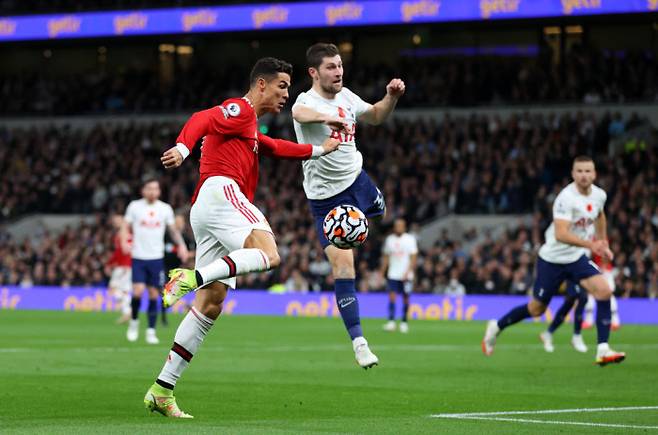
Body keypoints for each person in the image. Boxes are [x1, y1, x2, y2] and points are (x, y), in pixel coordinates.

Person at [144, 57, 340, 418]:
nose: (286, 94)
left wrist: (319, 150)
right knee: (269, 254)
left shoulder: (248, 127)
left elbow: (275, 147)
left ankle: (162, 389)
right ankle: (188, 277)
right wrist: (184, 148)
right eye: (282, 86)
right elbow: (202, 118)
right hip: (222, 191)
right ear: (261, 84)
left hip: (205, 208)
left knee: (210, 305)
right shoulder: (241, 109)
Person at [292, 42, 405, 367]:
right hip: (326, 200)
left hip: (358, 181)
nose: (338, 71)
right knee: (344, 267)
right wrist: (331, 118)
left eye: (339, 65)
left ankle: (371, 217)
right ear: (314, 72)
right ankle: (359, 342)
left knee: (382, 214)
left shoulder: (348, 96)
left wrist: (392, 97)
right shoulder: (306, 101)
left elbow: (377, 116)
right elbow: (298, 114)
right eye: (330, 67)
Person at [482, 156, 626, 366]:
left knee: (604, 291)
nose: (584, 175)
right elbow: (560, 234)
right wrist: (591, 245)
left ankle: (603, 349)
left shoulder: (599, 195)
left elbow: (600, 216)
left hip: (576, 258)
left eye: (588, 171)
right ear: (573, 173)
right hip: (552, 260)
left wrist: (602, 242)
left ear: (594, 174)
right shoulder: (565, 198)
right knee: (536, 309)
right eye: (579, 171)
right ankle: (496, 326)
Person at [121, 178, 189, 344]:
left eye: (155, 189)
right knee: (137, 291)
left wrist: (182, 245)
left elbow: (173, 230)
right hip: (138, 256)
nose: (152, 192)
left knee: (153, 294)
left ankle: (151, 331)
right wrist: (124, 241)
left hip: (156, 258)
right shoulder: (134, 206)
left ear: (159, 191)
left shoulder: (165, 209)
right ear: (143, 190)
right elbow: (125, 226)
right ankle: (134, 323)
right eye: (149, 188)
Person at [381, 218, 418, 333]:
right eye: (397, 226)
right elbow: (386, 256)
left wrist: (409, 271)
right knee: (392, 296)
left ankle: (404, 322)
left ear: (404, 227)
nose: (399, 228)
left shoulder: (410, 239)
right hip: (393, 273)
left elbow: (413, 257)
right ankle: (391, 322)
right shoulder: (389, 240)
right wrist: (383, 270)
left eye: (401, 226)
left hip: (406, 275)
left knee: (406, 298)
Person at [538, 281, 589, 353]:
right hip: (573, 275)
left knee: (569, 303)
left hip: (581, 275)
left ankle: (548, 333)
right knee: (582, 297)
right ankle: (577, 336)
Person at [582, 251, 621, 330]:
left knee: (612, 304)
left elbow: (611, 286)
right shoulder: (596, 268)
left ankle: (615, 323)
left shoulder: (609, 271)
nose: (603, 261)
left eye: (605, 259)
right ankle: (588, 322)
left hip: (606, 291)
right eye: (602, 259)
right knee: (589, 302)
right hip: (595, 291)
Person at [106, 214, 132, 324]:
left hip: (124, 266)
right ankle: (127, 312)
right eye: (114, 221)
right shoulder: (129, 234)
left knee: (114, 289)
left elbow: (122, 252)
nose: (115, 222)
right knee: (123, 290)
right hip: (126, 266)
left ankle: (128, 311)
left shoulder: (122, 234)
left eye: (117, 220)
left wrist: (109, 263)